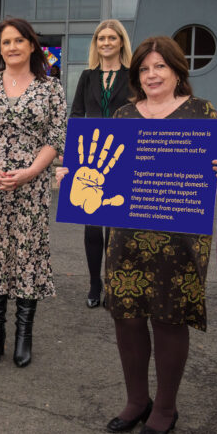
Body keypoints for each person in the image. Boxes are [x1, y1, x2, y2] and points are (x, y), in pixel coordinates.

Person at [62, 36, 217, 434]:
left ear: (177, 70)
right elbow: (100, 173)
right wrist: (73, 176)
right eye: (144, 68)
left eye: (160, 66)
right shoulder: (123, 115)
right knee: (127, 319)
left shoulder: (202, 112)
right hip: (126, 239)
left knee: (170, 320)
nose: (152, 75)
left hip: (179, 240)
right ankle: (137, 400)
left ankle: (166, 409)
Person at [0, 18, 66, 368]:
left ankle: (24, 335)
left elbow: (57, 137)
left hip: (32, 184)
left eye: (20, 40)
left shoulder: (51, 88)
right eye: (6, 42)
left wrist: (32, 172)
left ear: (32, 45)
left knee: (27, 253)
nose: (13, 47)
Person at [70, 19, 132, 308]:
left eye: (111, 38)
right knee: (93, 225)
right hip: (91, 157)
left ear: (121, 42)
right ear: (96, 44)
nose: (106, 43)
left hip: (124, 152)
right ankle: (95, 284)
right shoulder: (87, 76)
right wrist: (70, 156)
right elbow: (77, 114)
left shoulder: (133, 76)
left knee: (118, 226)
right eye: (101, 38)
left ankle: (115, 282)